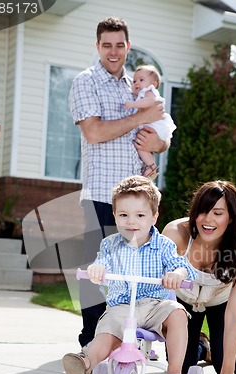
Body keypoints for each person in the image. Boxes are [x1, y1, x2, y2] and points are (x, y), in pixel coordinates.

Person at [69, 17, 170, 349]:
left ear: (128, 46)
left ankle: (126, 340)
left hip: (138, 197)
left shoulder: (138, 85)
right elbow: (94, 132)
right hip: (102, 192)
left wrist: (157, 145)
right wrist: (141, 117)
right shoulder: (86, 82)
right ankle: (91, 341)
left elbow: (163, 134)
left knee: (134, 270)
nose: (114, 51)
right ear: (97, 46)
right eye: (107, 45)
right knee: (97, 269)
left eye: (120, 45)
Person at [62, 176, 198, 374]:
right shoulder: (109, 244)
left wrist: (176, 274)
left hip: (156, 305)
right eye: (123, 215)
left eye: (140, 215)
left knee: (178, 314)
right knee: (107, 331)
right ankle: (86, 363)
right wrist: (97, 270)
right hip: (122, 307)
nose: (131, 222)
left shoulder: (163, 245)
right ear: (114, 215)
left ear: (154, 217)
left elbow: (182, 266)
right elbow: (101, 263)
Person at [162, 180, 236, 374]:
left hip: (221, 303)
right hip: (184, 300)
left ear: (231, 217)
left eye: (218, 213)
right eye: (203, 211)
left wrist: (228, 368)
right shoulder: (176, 233)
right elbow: (156, 282)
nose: (208, 219)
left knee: (227, 365)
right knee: (182, 365)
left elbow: (235, 313)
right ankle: (202, 346)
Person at [124, 65, 176, 178]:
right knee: (143, 146)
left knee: (140, 145)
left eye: (141, 80)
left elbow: (149, 102)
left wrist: (133, 104)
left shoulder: (149, 91)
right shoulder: (140, 93)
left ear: (153, 84)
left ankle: (150, 166)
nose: (136, 83)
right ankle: (150, 167)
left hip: (155, 125)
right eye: (134, 81)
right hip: (151, 126)